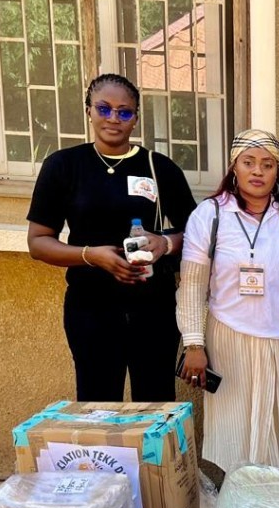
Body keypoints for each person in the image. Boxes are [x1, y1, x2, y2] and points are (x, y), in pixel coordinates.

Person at [27, 73, 196, 401]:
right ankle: (102, 457)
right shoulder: (64, 166)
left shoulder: (159, 168)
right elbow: (38, 242)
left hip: (154, 308)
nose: (113, 119)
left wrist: (167, 243)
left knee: (155, 404)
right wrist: (91, 255)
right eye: (103, 109)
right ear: (88, 110)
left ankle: (151, 457)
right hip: (91, 308)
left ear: (136, 119)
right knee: (97, 404)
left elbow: (199, 234)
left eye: (124, 112)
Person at [177, 129, 279, 474]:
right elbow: (191, 284)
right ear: (234, 166)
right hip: (231, 337)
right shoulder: (209, 215)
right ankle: (241, 502)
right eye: (248, 162)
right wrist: (193, 342)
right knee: (236, 430)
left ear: (277, 170)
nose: (258, 171)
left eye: (267, 164)